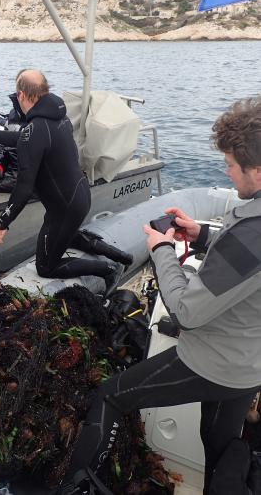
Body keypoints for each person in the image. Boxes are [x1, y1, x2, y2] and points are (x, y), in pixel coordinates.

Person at [57, 96, 261, 495]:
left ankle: (75, 488)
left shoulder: (251, 233)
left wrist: (160, 249)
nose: (226, 171)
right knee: (217, 450)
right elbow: (247, 262)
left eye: (231, 166)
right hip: (246, 367)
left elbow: (186, 312)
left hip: (213, 362)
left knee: (111, 397)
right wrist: (201, 235)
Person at [0, 69, 132, 293]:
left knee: (45, 266)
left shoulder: (35, 129)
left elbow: (24, 189)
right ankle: (121, 256)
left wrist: (1, 225)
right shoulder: (58, 116)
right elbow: (23, 139)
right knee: (68, 236)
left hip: (64, 208)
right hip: (79, 195)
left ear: (22, 95)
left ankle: (108, 269)